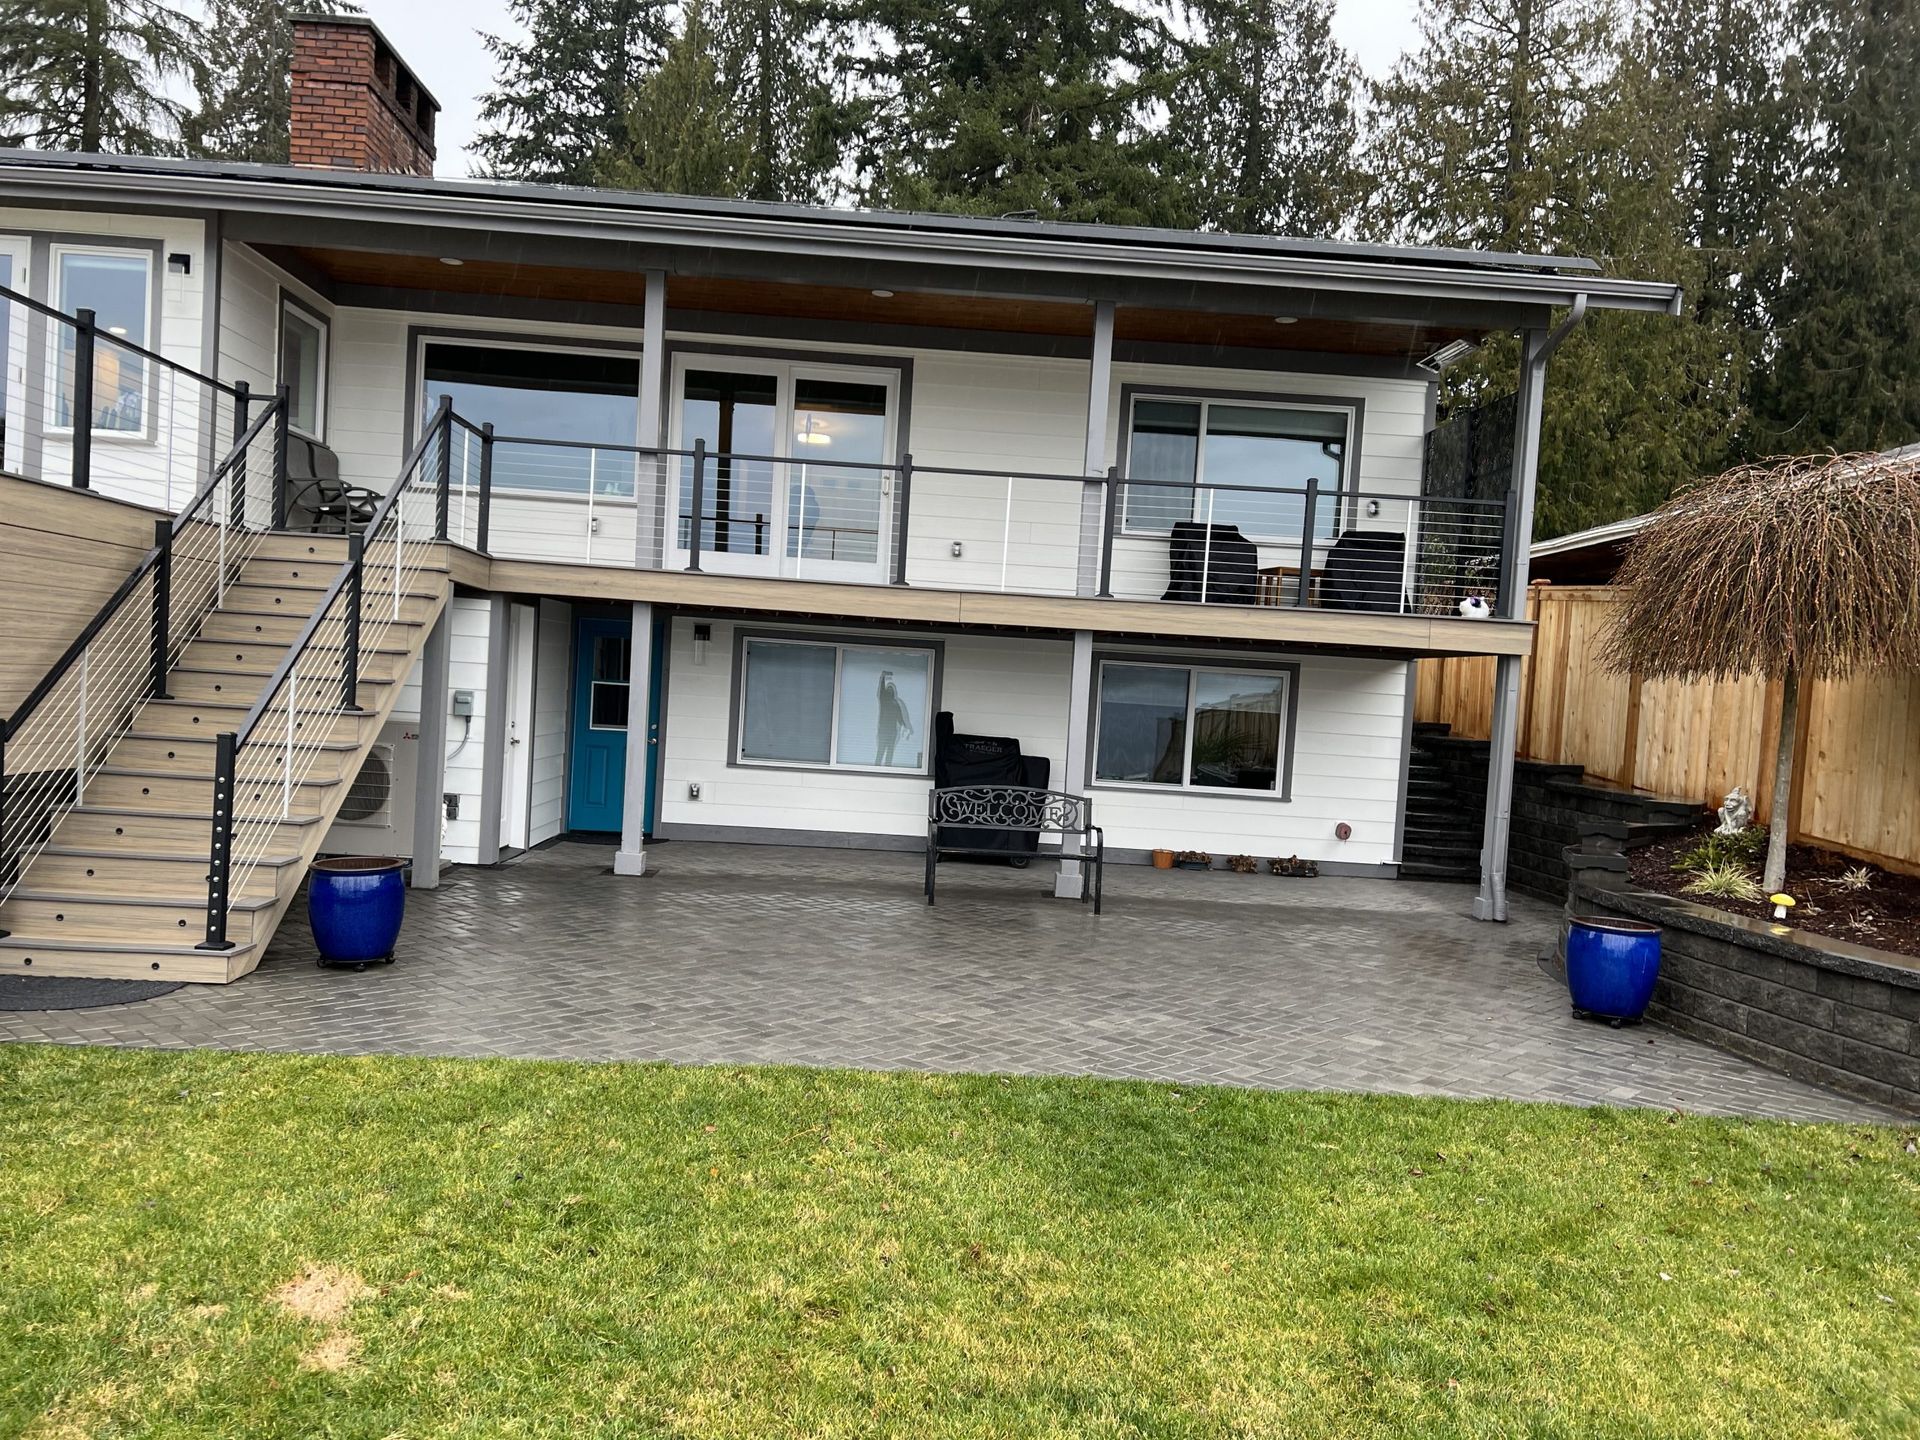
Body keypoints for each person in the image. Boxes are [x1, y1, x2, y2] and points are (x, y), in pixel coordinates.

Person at [875, 669, 915, 767]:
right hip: (885, 732)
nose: (889, 690)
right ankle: (876, 768)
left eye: (891, 689)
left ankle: (886, 768)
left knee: (889, 752)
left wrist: (907, 727)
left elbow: (900, 719)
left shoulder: (895, 704)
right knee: (882, 751)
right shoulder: (884, 700)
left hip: (891, 732)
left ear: (893, 692)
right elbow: (881, 690)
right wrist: (882, 677)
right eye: (888, 689)